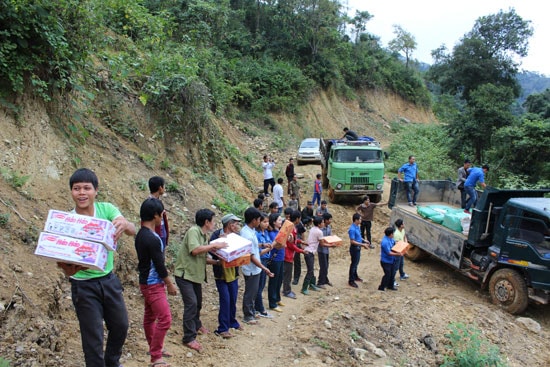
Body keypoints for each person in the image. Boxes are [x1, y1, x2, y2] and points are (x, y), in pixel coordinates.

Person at [57, 168, 136, 367]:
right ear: (71, 191)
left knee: (120, 326)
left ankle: (112, 362)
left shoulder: (106, 210)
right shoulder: (68, 222)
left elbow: (132, 230)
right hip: (83, 286)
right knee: (93, 338)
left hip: (108, 280)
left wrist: (124, 223)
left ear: (96, 190)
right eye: (76, 189)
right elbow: (63, 264)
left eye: (86, 188)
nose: (82, 193)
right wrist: (70, 269)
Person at [174, 209, 228, 352]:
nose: (214, 224)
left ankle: (196, 325)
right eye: (213, 221)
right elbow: (195, 250)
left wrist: (217, 262)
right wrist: (215, 245)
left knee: (198, 303)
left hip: (195, 275)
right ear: (206, 222)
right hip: (185, 274)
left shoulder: (203, 236)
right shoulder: (194, 231)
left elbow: (202, 257)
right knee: (191, 303)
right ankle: (188, 337)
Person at [135, 198, 178, 367]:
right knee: (165, 319)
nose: (162, 217)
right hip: (153, 284)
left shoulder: (142, 234)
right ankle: (155, 357)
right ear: (155, 215)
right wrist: (170, 284)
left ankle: (154, 349)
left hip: (145, 282)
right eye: (161, 214)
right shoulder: (152, 239)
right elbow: (160, 266)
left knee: (150, 317)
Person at [209, 213, 243, 339]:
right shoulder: (216, 236)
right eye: (236, 223)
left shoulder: (236, 236)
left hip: (233, 273)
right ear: (230, 224)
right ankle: (222, 328)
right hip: (221, 274)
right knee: (225, 300)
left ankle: (232, 322)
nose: (238, 226)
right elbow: (211, 252)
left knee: (233, 299)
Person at [240, 208, 274, 324]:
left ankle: (252, 311)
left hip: (255, 268)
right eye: (259, 220)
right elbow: (250, 256)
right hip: (251, 268)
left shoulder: (250, 231)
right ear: (254, 220)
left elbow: (254, 246)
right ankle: (248, 315)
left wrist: (262, 244)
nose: (259, 222)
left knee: (254, 291)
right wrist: (264, 267)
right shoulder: (246, 234)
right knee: (250, 292)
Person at [255, 213, 274, 318]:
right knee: (259, 285)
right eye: (264, 222)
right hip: (260, 260)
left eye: (268, 222)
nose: (267, 224)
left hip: (266, 259)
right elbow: (258, 252)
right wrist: (269, 247)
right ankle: (259, 308)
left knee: (262, 284)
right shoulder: (257, 235)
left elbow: (270, 245)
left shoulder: (266, 232)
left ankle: (258, 306)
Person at [283, 210, 305, 299]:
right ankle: (286, 291)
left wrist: (301, 241)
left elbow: (294, 241)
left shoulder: (293, 227)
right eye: (299, 218)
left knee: (288, 273)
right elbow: (290, 245)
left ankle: (287, 289)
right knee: (287, 274)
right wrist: (301, 251)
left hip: (290, 254)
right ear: (297, 219)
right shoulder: (291, 228)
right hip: (288, 254)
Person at [266, 213, 286, 312]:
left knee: (279, 280)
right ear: (274, 222)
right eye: (279, 220)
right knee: (273, 281)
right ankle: (272, 303)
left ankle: (277, 298)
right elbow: (274, 246)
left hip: (281, 258)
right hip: (275, 260)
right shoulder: (271, 233)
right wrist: (281, 244)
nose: (281, 221)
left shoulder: (280, 231)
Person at [301, 216, 325, 295]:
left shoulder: (313, 229)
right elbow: (322, 243)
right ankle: (304, 288)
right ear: (319, 224)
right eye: (322, 222)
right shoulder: (319, 232)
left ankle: (312, 284)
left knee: (311, 268)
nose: (323, 223)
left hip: (309, 250)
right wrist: (332, 245)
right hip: (309, 252)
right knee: (310, 270)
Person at [348, 213, 371, 288]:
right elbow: (352, 241)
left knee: (356, 263)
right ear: (356, 220)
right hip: (354, 248)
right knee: (354, 264)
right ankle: (351, 280)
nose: (361, 220)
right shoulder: (352, 229)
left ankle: (355, 276)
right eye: (360, 219)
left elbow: (359, 237)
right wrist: (363, 245)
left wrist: (364, 240)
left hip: (357, 247)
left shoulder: (357, 227)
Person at [378, 227, 404, 291]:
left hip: (391, 260)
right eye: (393, 233)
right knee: (387, 274)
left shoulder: (390, 239)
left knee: (392, 274)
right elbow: (389, 253)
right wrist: (397, 254)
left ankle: (390, 286)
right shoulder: (385, 242)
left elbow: (394, 243)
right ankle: (381, 287)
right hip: (386, 261)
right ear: (391, 234)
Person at [148, 176, 170, 248]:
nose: (164, 188)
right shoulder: (150, 204)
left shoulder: (157, 202)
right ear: (160, 188)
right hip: (156, 237)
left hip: (161, 235)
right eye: (164, 186)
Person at [317, 213, 334, 288]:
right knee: (323, 266)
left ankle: (325, 279)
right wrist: (330, 244)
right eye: (329, 219)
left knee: (326, 265)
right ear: (326, 220)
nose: (330, 221)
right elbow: (321, 242)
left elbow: (330, 237)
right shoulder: (320, 229)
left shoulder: (329, 227)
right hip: (321, 250)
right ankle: (320, 282)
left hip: (326, 249)